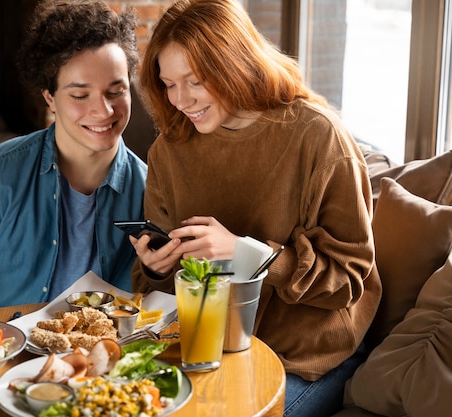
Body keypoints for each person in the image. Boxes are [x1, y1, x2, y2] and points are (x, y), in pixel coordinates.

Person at [130, 0, 382, 416]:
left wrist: (244, 253)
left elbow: (350, 279)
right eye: (168, 84)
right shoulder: (169, 150)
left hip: (301, 355)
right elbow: (158, 286)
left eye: (194, 81)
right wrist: (158, 266)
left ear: (234, 64)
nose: (180, 100)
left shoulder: (318, 137)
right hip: (205, 346)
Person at [0, 0, 147, 322]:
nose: (104, 111)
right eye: (80, 95)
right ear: (50, 97)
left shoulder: (153, 191)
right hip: (6, 358)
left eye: (116, 91)